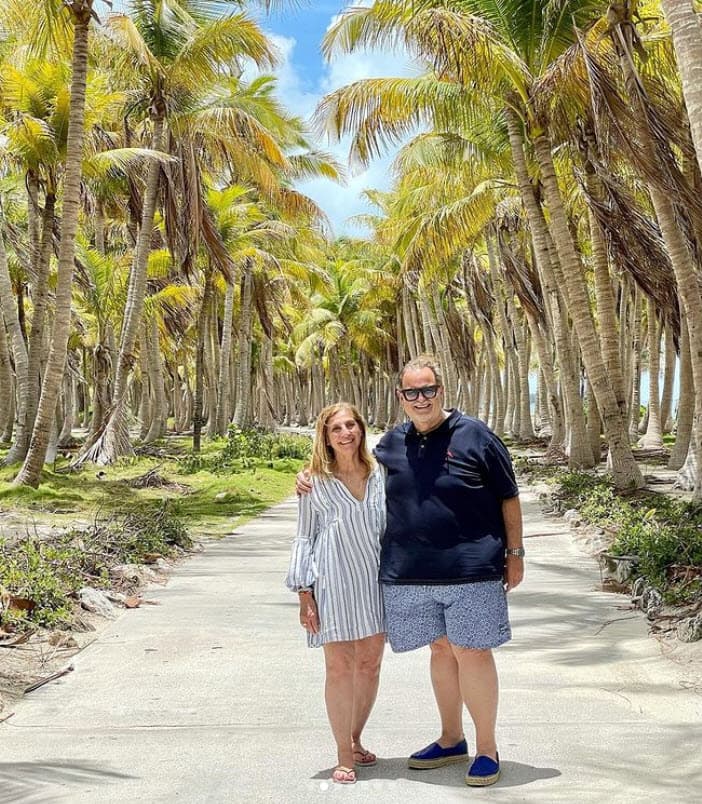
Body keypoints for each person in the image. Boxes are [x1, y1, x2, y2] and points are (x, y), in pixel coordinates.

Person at [297, 355, 524, 787]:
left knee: (472, 652)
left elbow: (508, 496)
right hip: (415, 574)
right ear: (400, 397)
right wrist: (307, 474)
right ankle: (451, 739)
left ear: (442, 391)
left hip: (472, 568)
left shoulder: (476, 435)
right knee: (440, 651)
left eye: (428, 390)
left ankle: (487, 749)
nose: (421, 399)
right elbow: (349, 465)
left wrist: (515, 553)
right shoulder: (391, 445)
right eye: (412, 392)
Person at [286, 403, 386, 785]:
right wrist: (304, 593)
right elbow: (304, 537)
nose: (345, 433)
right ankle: (343, 754)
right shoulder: (313, 481)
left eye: (350, 425)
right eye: (336, 429)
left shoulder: (381, 474)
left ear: (361, 429)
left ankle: (355, 738)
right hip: (332, 584)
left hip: (375, 581)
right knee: (339, 667)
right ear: (325, 437)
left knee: (370, 664)